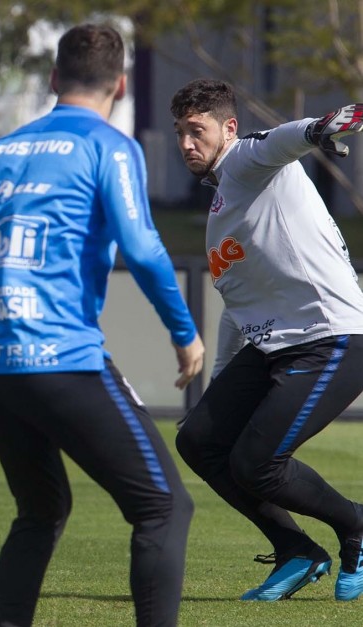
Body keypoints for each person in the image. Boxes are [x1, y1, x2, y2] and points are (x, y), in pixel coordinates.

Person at [0, 23, 205, 627]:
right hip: (62, 362)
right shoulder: (108, 146)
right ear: (120, 86)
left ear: (52, 79)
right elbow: (143, 248)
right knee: (163, 508)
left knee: (41, 511)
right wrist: (184, 330)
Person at [171, 78, 363, 602]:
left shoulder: (245, 161)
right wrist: (215, 393)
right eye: (180, 132)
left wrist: (317, 129)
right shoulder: (223, 205)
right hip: (275, 345)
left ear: (227, 129)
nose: (187, 143)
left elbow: (278, 140)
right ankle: (296, 551)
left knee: (257, 463)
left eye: (198, 130)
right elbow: (239, 309)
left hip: (334, 338)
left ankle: (357, 526)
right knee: (199, 440)